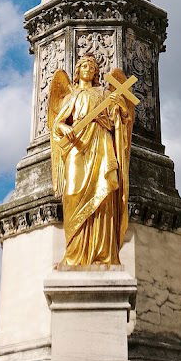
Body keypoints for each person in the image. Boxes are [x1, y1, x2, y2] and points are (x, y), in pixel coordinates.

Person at [48, 55, 134, 267]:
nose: (88, 69)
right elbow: (57, 124)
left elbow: (120, 122)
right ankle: (75, 253)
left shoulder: (104, 93)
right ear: (78, 71)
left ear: (96, 73)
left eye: (92, 66)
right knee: (72, 194)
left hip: (101, 143)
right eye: (84, 66)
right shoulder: (72, 95)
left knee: (103, 195)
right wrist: (65, 127)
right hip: (77, 145)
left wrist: (118, 108)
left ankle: (102, 254)